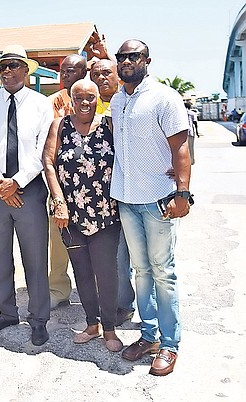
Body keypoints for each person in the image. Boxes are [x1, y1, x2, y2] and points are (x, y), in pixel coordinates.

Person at [111, 39, 192, 376]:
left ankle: (170, 344)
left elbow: (181, 148)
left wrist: (183, 193)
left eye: (133, 56)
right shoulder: (117, 100)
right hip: (126, 199)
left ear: (146, 60)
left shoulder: (164, 97)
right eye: (121, 57)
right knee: (141, 272)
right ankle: (149, 335)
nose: (126, 61)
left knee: (163, 271)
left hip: (159, 200)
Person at [0, 45, 53, 346]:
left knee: (34, 257)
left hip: (29, 190)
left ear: (26, 70)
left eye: (14, 65)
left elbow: (42, 149)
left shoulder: (40, 105)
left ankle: (38, 318)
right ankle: (6, 311)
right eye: (3, 66)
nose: (7, 71)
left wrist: (16, 182)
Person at [43, 79, 123, 353]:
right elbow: (49, 163)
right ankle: (92, 324)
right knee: (82, 271)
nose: (85, 102)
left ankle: (110, 328)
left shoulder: (110, 125)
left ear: (98, 98)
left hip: (106, 214)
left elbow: (130, 155)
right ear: (71, 100)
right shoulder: (60, 125)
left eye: (90, 97)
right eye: (79, 98)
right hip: (70, 216)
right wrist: (58, 202)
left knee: (106, 272)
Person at [90, 58, 136, 325]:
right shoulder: (88, 105)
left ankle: (135, 304)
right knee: (115, 254)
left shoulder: (128, 99)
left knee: (140, 256)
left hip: (136, 189)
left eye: (106, 72)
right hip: (103, 194)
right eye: (95, 74)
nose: (101, 78)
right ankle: (119, 302)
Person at [47, 54, 87, 309]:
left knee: (92, 244)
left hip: (94, 189)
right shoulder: (52, 102)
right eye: (63, 71)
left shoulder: (97, 99)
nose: (65, 75)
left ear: (84, 73)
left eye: (72, 71)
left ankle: (92, 292)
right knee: (59, 241)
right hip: (60, 184)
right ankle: (58, 289)